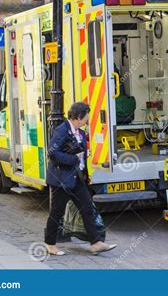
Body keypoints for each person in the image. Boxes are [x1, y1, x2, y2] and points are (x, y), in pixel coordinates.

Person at [44, 102, 117, 256]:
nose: (87, 121)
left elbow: (82, 156)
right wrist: (73, 159)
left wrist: (85, 174)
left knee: (87, 208)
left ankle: (96, 243)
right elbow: (52, 153)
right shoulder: (61, 131)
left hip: (77, 178)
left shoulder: (81, 133)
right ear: (77, 117)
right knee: (57, 212)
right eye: (85, 118)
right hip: (62, 180)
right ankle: (50, 245)